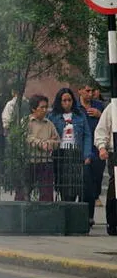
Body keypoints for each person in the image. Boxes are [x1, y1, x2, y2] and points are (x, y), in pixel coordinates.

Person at [49, 88, 94, 226]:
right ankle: (67, 215)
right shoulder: (53, 116)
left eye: (69, 100)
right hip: (61, 153)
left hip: (76, 152)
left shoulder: (79, 115)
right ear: (59, 101)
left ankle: (85, 216)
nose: (67, 103)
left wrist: (87, 154)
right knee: (65, 186)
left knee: (82, 184)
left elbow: (87, 135)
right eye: (64, 100)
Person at [14, 95, 60, 201]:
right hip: (29, 161)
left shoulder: (49, 124)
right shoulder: (26, 122)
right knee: (23, 193)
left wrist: (48, 143)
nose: (45, 110)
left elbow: (57, 140)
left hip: (45, 161)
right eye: (42, 107)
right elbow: (25, 137)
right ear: (34, 109)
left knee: (46, 193)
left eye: (46, 107)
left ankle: (45, 213)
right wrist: (40, 143)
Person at [94, 103, 117, 235]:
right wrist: (102, 147)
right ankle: (113, 222)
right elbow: (101, 130)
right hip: (115, 151)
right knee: (115, 187)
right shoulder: (113, 107)